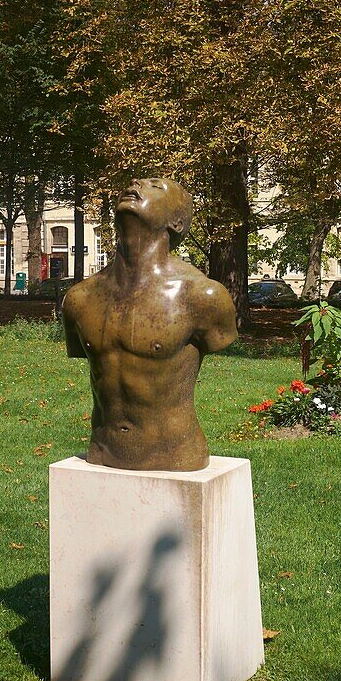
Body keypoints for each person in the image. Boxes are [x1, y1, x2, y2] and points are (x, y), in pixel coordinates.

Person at [62, 178, 237, 471]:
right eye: (135, 182)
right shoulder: (80, 299)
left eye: (154, 186)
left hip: (176, 455)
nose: (135, 184)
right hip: (102, 451)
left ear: (177, 222)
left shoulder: (200, 297)